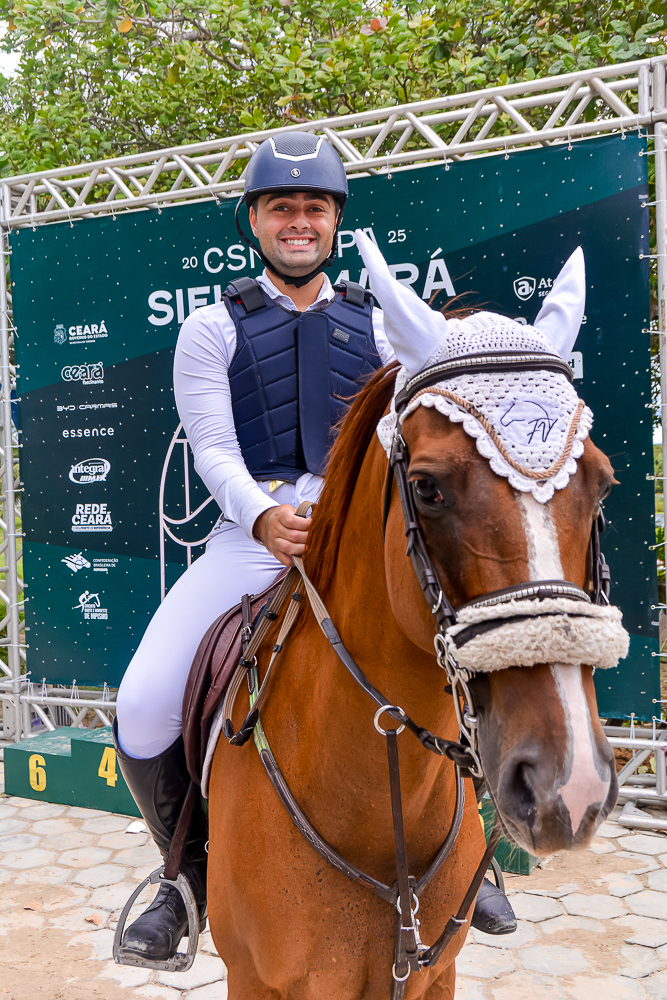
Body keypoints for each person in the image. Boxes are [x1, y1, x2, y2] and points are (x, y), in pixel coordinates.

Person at [113, 132, 514, 968]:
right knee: (144, 701)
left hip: (358, 539)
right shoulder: (210, 328)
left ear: (334, 223)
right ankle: (185, 874)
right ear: (253, 221)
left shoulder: (380, 323)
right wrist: (262, 515)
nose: (299, 220)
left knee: (465, 653)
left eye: (315, 208)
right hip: (251, 537)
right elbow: (213, 447)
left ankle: (477, 857)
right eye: (281, 207)